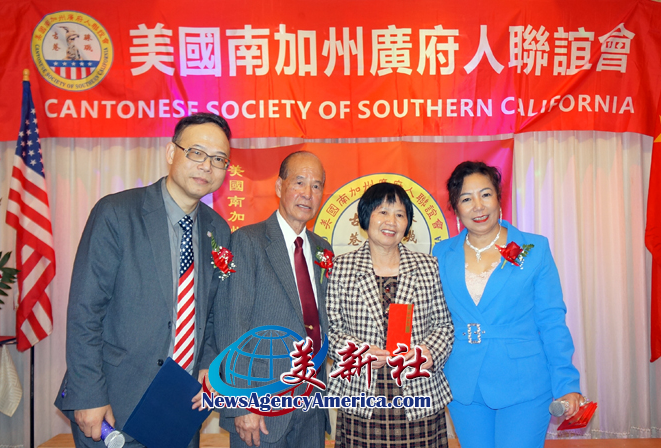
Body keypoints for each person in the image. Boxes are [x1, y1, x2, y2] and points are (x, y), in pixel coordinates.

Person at [54, 113, 233, 447]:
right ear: (171, 152)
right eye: (196, 152)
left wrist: (209, 364)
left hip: (180, 405)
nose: (207, 166)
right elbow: (85, 311)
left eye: (219, 159)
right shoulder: (117, 213)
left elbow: (209, 313)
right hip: (113, 405)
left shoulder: (218, 230)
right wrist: (88, 394)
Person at [431, 161, 582, 448]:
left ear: (499, 198)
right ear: (456, 208)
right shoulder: (441, 253)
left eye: (485, 194)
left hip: (524, 382)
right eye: (466, 199)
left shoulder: (534, 249)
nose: (478, 206)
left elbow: (551, 320)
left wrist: (566, 383)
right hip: (464, 384)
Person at [215, 151, 331, 448]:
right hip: (261, 407)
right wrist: (242, 402)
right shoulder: (248, 241)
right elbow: (232, 324)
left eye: (316, 186)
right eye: (299, 182)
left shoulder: (323, 249)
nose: (308, 193)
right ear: (280, 186)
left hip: (311, 404)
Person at [326, 182, 454, 448]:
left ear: (407, 224)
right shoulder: (341, 267)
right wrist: (358, 353)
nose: (391, 222)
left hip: (418, 394)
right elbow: (331, 329)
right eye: (383, 212)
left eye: (399, 214)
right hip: (362, 396)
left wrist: (429, 352)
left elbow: (444, 325)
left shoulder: (428, 266)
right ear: (365, 216)